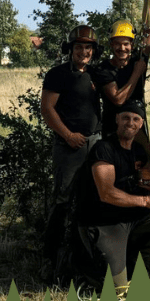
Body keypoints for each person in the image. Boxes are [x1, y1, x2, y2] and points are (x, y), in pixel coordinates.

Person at [77, 100, 150, 292]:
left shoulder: (139, 151)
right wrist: (145, 201)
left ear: (141, 124)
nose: (130, 123)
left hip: (129, 219)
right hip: (103, 222)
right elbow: (107, 193)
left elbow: (145, 184)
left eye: (135, 119)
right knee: (119, 289)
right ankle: (86, 267)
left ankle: (134, 258)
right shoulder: (104, 149)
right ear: (117, 119)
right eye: (125, 118)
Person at [40, 25, 102, 273]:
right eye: (79, 47)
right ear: (70, 49)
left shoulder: (96, 74)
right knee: (62, 201)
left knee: (92, 200)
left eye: (88, 48)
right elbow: (47, 109)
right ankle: (50, 259)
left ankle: (84, 259)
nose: (84, 52)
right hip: (68, 147)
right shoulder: (57, 74)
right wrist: (67, 135)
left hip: (95, 144)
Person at [94, 0, 150, 157]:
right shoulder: (105, 69)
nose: (122, 48)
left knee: (143, 168)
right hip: (113, 128)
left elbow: (148, 28)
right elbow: (118, 99)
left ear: (132, 45)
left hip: (136, 125)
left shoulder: (138, 58)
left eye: (126, 44)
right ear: (111, 45)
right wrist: (136, 74)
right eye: (118, 44)